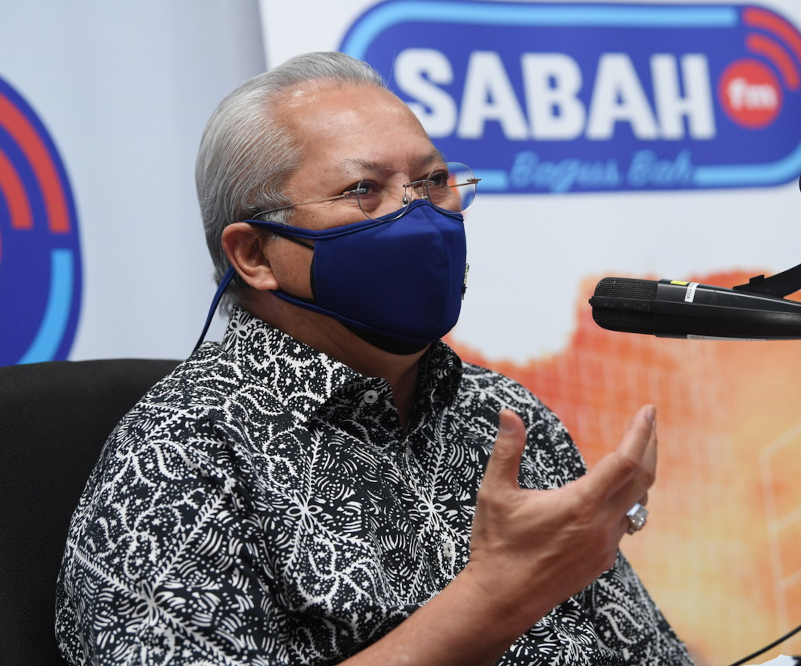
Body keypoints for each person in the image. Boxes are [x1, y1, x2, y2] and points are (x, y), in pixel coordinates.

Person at [56, 51, 692, 665]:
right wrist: (492, 601)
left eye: (434, 180)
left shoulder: (505, 416)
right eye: (365, 189)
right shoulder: (181, 455)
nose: (419, 213)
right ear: (254, 254)